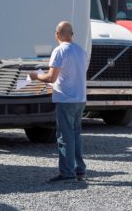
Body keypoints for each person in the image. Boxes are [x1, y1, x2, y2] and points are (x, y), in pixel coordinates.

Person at [30, 21, 88, 183]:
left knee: (64, 137)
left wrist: (35, 76)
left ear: (57, 34)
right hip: (80, 98)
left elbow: (51, 77)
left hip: (65, 99)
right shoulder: (81, 51)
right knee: (76, 135)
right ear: (72, 34)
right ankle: (79, 170)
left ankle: (67, 173)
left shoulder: (59, 51)